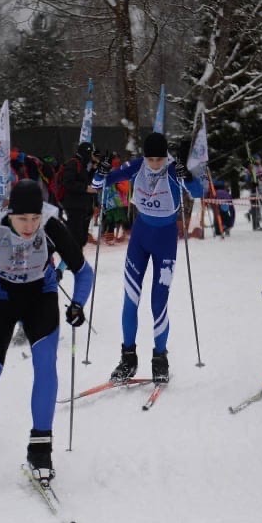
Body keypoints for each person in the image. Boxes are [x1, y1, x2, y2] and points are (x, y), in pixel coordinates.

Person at [0, 180, 93, 483]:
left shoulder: (51, 227)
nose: (30, 225)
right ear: (10, 214)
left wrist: (78, 304)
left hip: (40, 298)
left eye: (35, 218)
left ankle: (40, 447)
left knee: (45, 365)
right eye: (22, 219)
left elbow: (84, 272)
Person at [93, 133, 203, 384]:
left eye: (159, 159)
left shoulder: (174, 170)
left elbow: (198, 192)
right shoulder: (136, 167)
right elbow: (100, 183)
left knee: (158, 303)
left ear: (166, 156)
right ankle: (128, 359)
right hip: (140, 238)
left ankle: (160, 359)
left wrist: (188, 176)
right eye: (151, 159)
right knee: (130, 299)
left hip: (165, 240)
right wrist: (101, 171)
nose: (155, 164)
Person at [62, 142, 99, 248]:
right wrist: (85, 188)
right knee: (75, 238)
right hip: (74, 206)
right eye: (91, 153)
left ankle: (78, 261)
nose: (92, 156)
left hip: (84, 206)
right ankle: (71, 261)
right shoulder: (73, 163)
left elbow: (85, 179)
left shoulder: (83, 164)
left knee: (82, 238)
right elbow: (68, 183)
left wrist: (93, 169)